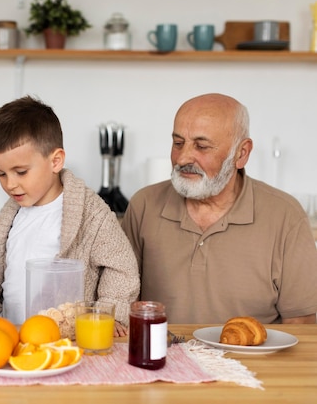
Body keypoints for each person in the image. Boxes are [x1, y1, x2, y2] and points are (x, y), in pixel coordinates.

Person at [121, 93, 317, 324]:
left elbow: (302, 324)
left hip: (251, 360)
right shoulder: (144, 205)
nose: (183, 158)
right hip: (162, 358)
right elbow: (119, 302)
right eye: (178, 143)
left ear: (241, 153)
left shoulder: (285, 216)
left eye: (201, 146)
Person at [0, 95, 140, 336]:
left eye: (20, 172)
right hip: (11, 333)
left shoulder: (91, 214)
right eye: (1, 174)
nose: (10, 184)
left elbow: (121, 266)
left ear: (56, 161)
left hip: (65, 336)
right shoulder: (12, 214)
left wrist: (107, 316)